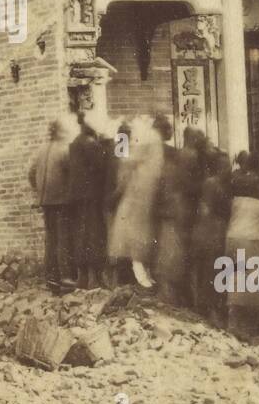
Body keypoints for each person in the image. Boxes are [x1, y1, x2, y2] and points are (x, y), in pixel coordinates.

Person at [107, 114, 164, 289]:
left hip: (128, 196)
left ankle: (136, 276)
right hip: (124, 196)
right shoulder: (123, 147)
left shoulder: (127, 148)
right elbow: (121, 169)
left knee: (131, 237)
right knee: (130, 237)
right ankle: (136, 276)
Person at [28, 114, 78, 292]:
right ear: (60, 132)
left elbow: (31, 173)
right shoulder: (64, 149)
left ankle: (51, 279)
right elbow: (73, 176)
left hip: (45, 201)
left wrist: (39, 191)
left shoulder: (41, 150)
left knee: (50, 239)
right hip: (61, 201)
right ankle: (65, 278)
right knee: (63, 238)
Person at [225, 151, 259, 337]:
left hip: (232, 237)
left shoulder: (234, 183)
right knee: (251, 282)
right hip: (250, 238)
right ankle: (246, 327)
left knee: (235, 279)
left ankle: (233, 322)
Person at [69, 109, 112, 290]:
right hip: (92, 197)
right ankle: (94, 278)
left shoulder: (74, 144)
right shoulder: (91, 144)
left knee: (80, 234)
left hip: (77, 197)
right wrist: (108, 143)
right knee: (93, 235)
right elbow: (104, 166)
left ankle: (82, 277)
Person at [151, 115, 190, 306]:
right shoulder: (172, 154)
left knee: (164, 249)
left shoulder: (149, 152)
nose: (171, 132)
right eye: (168, 129)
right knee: (170, 250)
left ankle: (166, 291)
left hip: (160, 208)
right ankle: (168, 293)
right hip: (170, 207)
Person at [191, 147, 232, 320]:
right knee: (211, 272)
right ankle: (210, 311)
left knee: (211, 272)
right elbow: (206, 210)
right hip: (210, 234)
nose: (229, 169)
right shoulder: (212, 184)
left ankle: (207, 309)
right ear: (218, 167)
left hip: (212, 233)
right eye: (226, 166)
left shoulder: (218, 184)